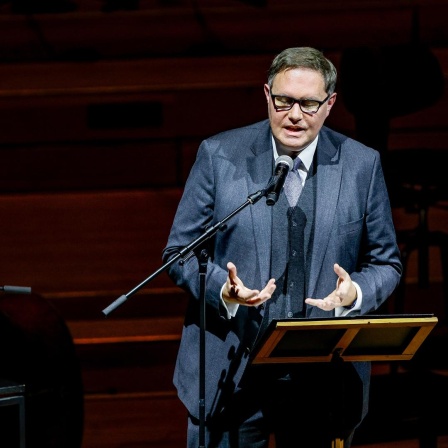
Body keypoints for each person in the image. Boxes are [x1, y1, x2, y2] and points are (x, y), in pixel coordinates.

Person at [162, 47, 402, 448]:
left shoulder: (362, 165)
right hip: (231, 372)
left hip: (325, 378)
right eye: (284, 100)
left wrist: (354, 292)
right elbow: (181, 252)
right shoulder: (219, 155)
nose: (294, 115)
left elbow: (386, 262)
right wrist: (224, 289)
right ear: (266, 95)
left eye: (309, 104)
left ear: (330, 105)